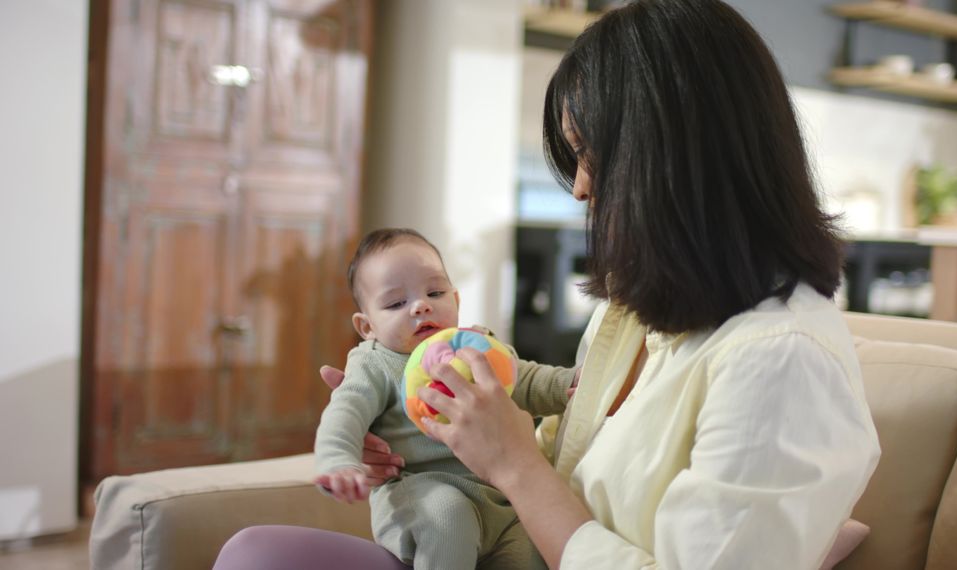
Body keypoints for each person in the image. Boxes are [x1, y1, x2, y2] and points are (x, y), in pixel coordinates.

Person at [214, 0, 880, 568]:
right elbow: (559, 461)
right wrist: (429, 438)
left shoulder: (780, 362)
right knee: (257, 553)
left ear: (677, 156)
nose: (582, 186)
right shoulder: (637, 315)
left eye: (592, 153)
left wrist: (512, 466)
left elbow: (541, 482)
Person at [312, 228, 575, 570]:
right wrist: (338, 462)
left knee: (531, 548)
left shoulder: (477, 346)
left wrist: (571, 383)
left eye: (434, 292)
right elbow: (343, 413)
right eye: (395, 303)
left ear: (457, 300)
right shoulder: (373, 363)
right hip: (420, 492)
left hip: (498, 502)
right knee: (450, 515)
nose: (420, 306)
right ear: (367, 327)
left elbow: (526, 380)